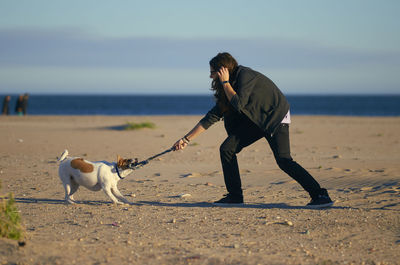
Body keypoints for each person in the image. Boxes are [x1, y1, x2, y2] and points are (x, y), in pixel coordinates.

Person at [172, 52, 333, 208]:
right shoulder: (227, 87)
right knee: (227, 149)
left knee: (284, 161)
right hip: (257, 121)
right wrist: (186, 139)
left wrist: (225, 83)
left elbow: (238, 103)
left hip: (275, 117)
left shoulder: (245, 76)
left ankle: (320, 195)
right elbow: (212, 116)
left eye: (213, 72)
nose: (210, 76)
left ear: (223, 71)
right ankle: (235, 197)